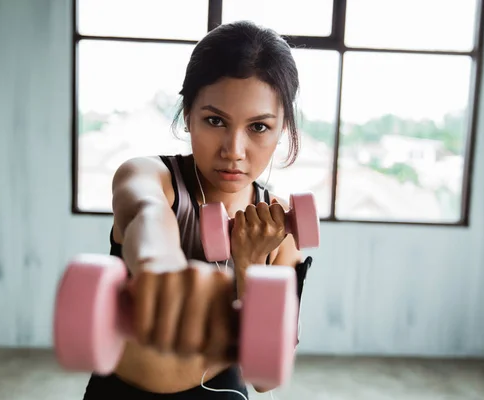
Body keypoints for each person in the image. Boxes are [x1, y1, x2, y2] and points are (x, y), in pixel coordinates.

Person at [82, 20, 313, 399]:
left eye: (258, 127)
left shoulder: (278, 228)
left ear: (282, 128)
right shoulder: (151, 176)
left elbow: (265, 378)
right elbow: (146, 214)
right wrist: (162, 267)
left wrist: (249, 266)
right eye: (215, 120)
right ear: (188, 113)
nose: (234, 150)